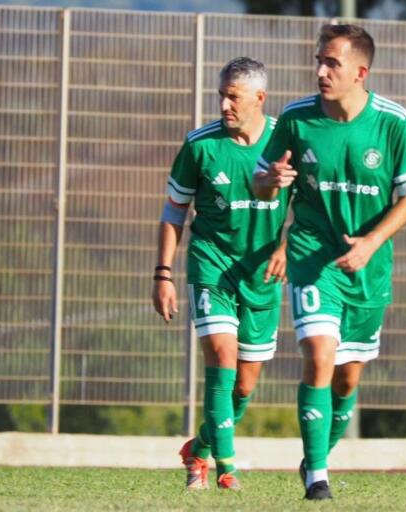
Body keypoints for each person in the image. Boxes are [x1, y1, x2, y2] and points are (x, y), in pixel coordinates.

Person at [253, 24, 406, 500]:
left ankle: (317, 453)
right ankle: (318, 476)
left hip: (367, 267)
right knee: (319, 355)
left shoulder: (394, 122)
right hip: (312, 255)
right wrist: (270, 180)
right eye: (319, 61)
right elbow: (261, 184)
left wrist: (371, 242)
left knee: (348, 376)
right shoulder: (296, 119)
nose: (320, 71)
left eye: (332, 63)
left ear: (360, 72)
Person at [153, 57, 290, 491]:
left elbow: (311, 208)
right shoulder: (201, 145)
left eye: (233, 97)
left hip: (262, 276)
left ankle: (200, 447)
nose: (224, 105)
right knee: (222, 358)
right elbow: (174, 210)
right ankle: (226, 467)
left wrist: (286, 247)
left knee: (244, 386)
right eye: (221, 96)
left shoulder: (286, 142)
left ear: (259, 98)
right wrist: (163, 274)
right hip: (211, 266)